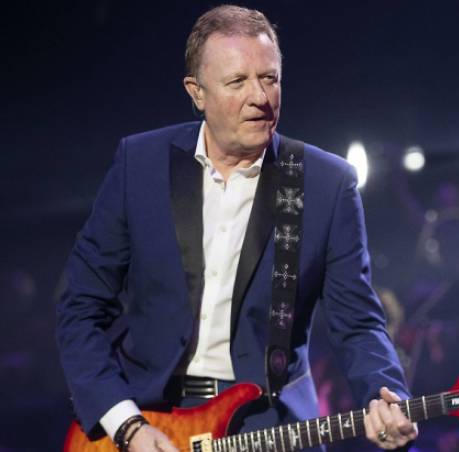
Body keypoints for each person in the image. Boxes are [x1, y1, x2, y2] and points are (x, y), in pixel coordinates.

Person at [56, 6, 417, 451]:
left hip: (267, 424)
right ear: (197, 93)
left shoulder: (327, 184)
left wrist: (385, 394)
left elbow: (358, 323)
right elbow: (80, 307)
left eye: (270, 79)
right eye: (237, 82)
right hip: (144, 419)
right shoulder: (140, 164)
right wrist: (126, 424)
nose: (259, 97)